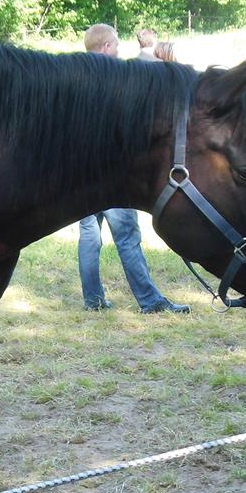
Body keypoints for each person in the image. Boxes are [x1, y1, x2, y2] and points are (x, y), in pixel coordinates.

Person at [78, 24, 190, 314]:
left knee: (89, 237)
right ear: (105, 47)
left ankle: (93, 299)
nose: (118, 50)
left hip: (81, 178)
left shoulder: (76, 76)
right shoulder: (114, 78)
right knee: (127, 238)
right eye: (115, 45)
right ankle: (150, 301)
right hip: (111, 176)